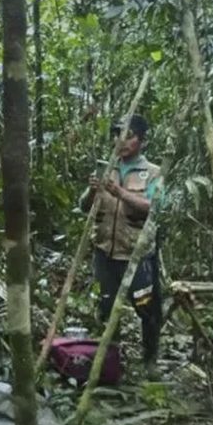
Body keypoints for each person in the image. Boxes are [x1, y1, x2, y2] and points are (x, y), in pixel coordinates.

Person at [78, 114, 164, 368]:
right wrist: (94, 189)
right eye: (117, 134)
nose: (121, 141)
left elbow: (154, 208)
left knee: (146, 309)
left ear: (142, 141)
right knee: (106, 309)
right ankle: (111, 364)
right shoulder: (108, 168)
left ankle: (149, 361)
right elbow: (84, 207)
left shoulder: (153, 173)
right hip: (105, 252)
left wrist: (120, 193)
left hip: (136, 254)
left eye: (128, 136)